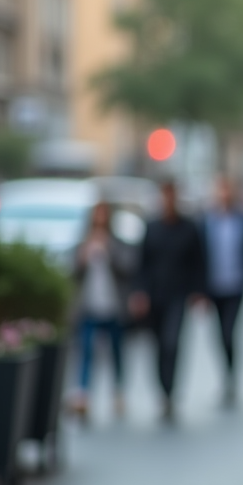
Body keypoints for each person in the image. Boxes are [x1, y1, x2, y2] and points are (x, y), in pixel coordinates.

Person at [130, 180, 204, 423]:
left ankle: (171, 391)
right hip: (154, 296)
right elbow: (142, 264)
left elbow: (199, 263)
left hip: (178, 295)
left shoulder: (189, 228)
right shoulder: (151, 228)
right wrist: (139, 293)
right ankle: (162, 392)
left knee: (172, 343)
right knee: (158, 346)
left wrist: (198, 292)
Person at [70, 201, 136, 422]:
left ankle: (118, 391)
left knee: (117, 351)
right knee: (86, 351)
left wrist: (109, 250)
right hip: (89, 306)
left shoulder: (116, 243)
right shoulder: (84, 243)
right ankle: (83, 395)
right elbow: (72, 272)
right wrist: (84, 256)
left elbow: (128, 267)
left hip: (113, 306)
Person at [200, 176, 243, 407]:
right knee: (218, 336)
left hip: (236, 285)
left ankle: (231, 377)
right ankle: (226, 373)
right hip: (213, 286)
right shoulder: (206, 221)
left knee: (229, 332)